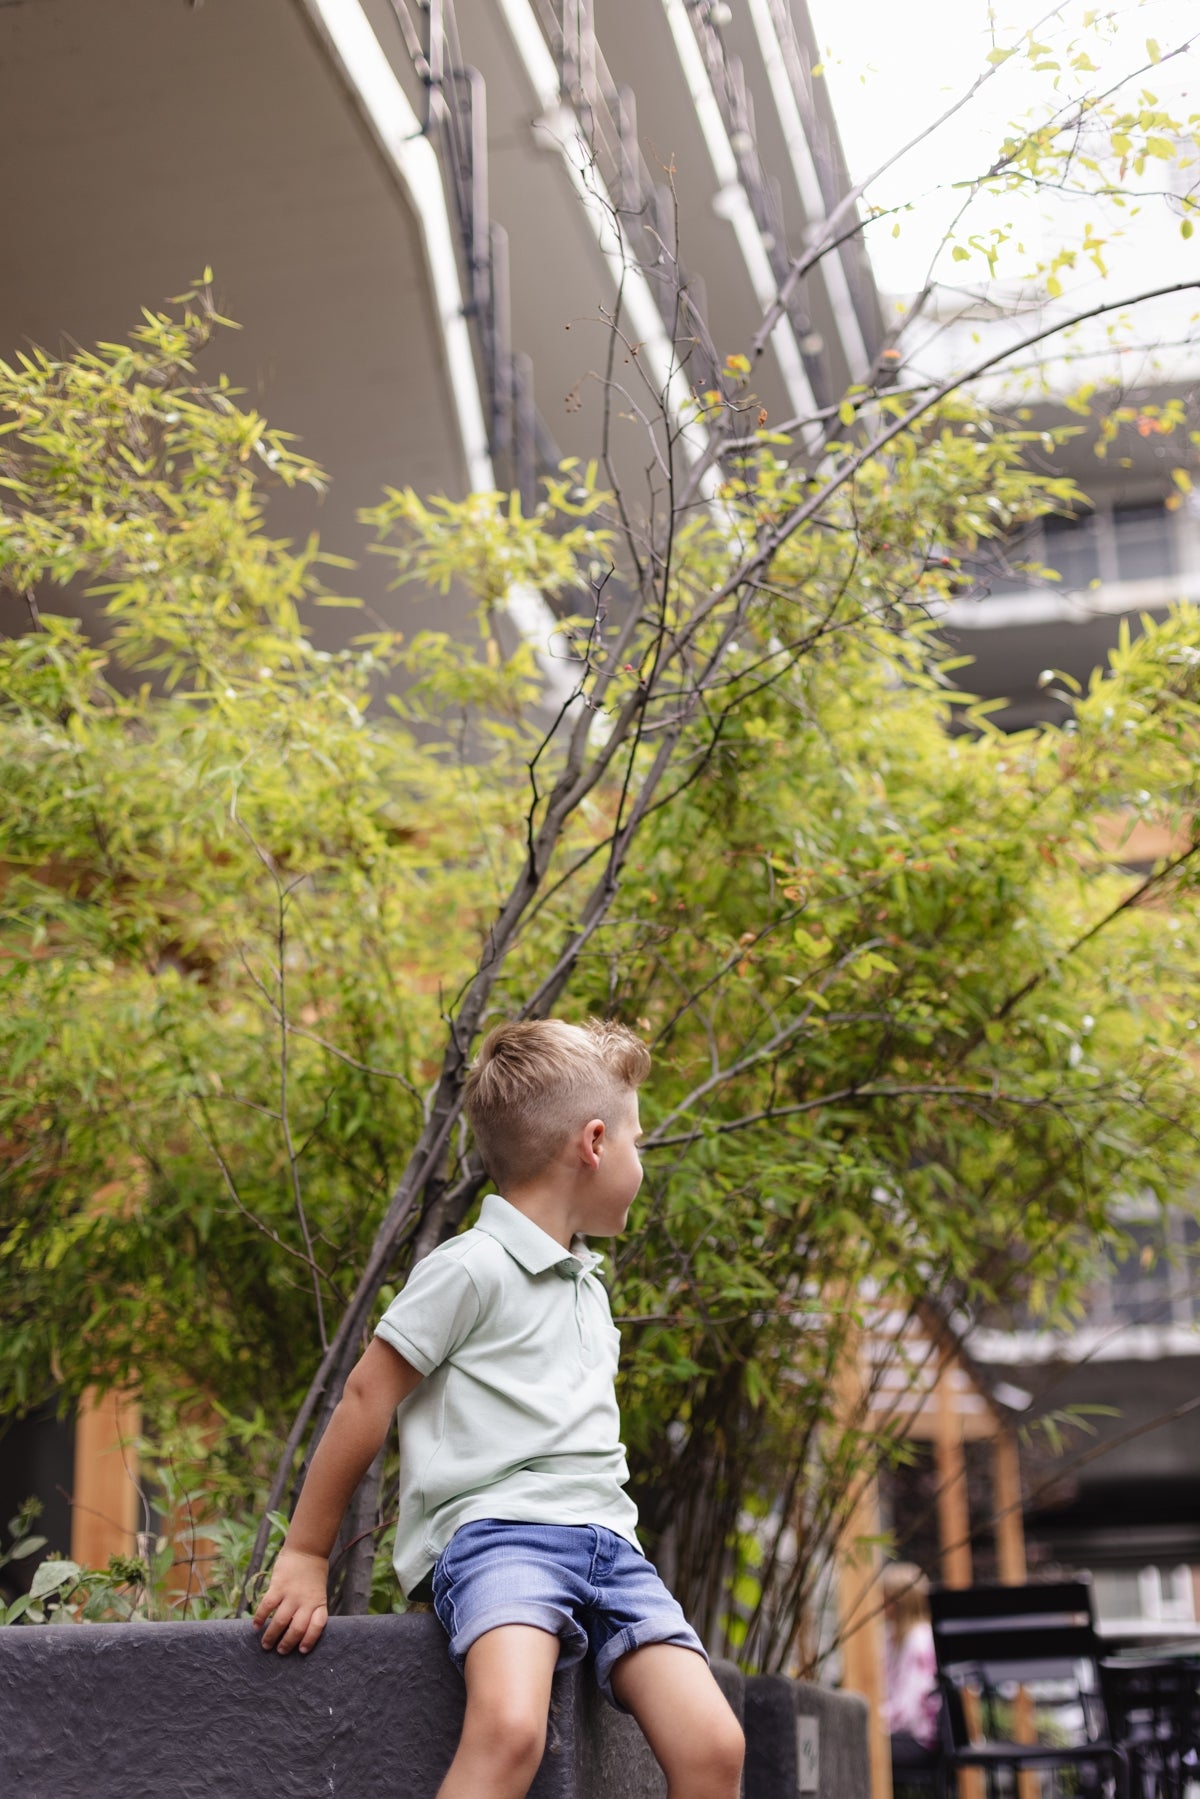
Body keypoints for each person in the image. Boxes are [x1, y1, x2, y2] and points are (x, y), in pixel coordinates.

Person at [252, 1018, 745, 1799]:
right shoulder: (471, 1267)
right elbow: (366, 1395)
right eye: (638, 1141)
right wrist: (307, 1552)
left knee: (715, 1746)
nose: (641, 1160)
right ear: (594, 1143)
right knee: (512, 1729)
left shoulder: (588, 1282)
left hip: (612, 1549)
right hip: (499, 1540)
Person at [882, 1562, 941, 1786]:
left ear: (899, 1602)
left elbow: (908, 1709)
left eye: (884, 1598)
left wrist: (871, 1721)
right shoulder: (894, 1639)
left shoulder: (919, 1640)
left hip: (919, 1740)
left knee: (856, 1748)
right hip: (904, 1734)